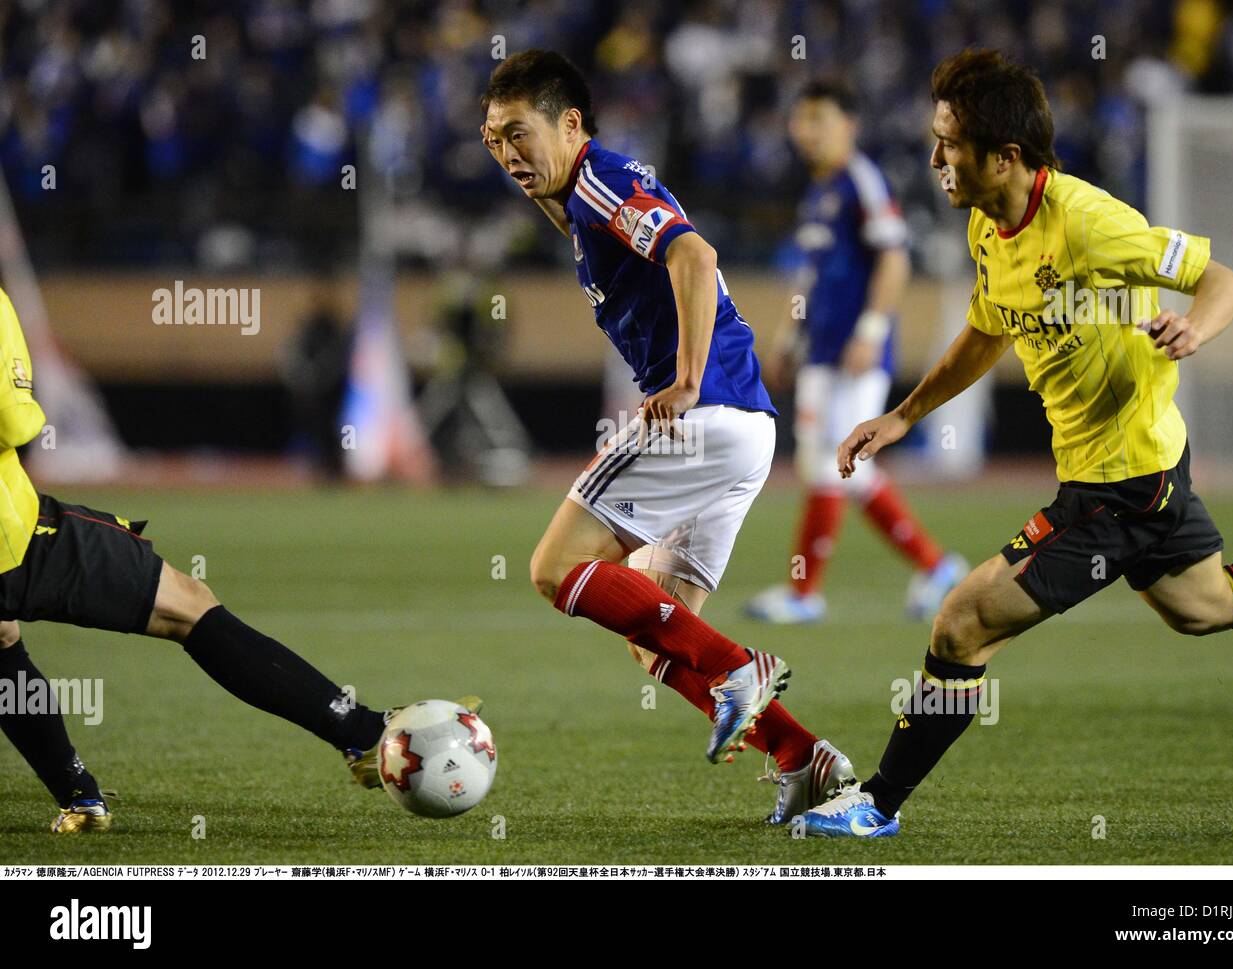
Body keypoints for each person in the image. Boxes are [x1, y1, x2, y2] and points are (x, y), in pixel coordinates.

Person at [798, 49, 1233, 838]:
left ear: (1008, 156)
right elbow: (987, 330)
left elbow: (1221, 278)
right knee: (1204, 607)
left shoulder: (1090, 224)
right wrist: (904, 416)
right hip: (1148, 466)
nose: (935, 160)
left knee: (960, 621)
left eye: (949, 144)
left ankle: (876, 805)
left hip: (1121, 485)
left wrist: (1193, 325)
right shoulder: (989, 226)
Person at [481, 49, 854, 823]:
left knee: (556, 567)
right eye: (492, 141)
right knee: (653, 634)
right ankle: (802, 754)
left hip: (701, 413)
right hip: (745, 430)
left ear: (571, 123)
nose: (508, 152)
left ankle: (740, 670)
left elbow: (694, 252)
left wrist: (682, 380)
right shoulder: (581, 203)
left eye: (519, 133)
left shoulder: (599, 177)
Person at [0, 289, 435, 833]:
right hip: (11, 535)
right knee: (187, 607)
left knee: (2, 637)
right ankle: (360, 732)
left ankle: (80, 799)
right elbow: (14, 423)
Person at [746, 80, 966, 625]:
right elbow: (811, 277)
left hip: (854, 353)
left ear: (849, 125)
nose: (806, 131)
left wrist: (870, 330)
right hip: (821, 352)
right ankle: (936, 568)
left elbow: (895, 259)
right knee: (830, 466)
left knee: (831, 464)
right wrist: (788, 338)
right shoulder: (819, 192)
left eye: (819, 118)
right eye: (800, 120)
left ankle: (806, 592)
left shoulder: (861, 180)